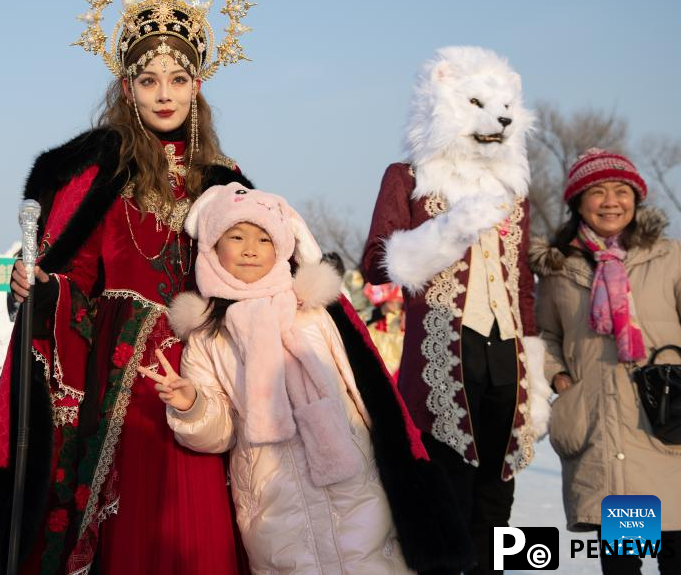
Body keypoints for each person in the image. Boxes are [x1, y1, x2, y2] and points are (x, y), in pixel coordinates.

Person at [0, 0, 255, 575]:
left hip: (202, 371)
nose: (163, 92)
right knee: (132, 525)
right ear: (126, 84)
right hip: (120, 382)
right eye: (148, 79)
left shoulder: (226, 180)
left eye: (177, 77)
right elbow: (76, 268)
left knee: (204, 522)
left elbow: (254, 269)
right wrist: (44, 287)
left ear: (197, 84)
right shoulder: (102, 172)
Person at [142, 183, 472, 574]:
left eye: (264, 239)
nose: (251, 248)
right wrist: (192, 405)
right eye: (236, 236)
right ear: (212, 246)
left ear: (282, 248)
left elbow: (361, 389)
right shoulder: (209, 334)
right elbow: (220, 431)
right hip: (272, 494)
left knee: (370, 560)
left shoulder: (314, 312)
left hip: (353, 480)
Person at [361, 47, 551, 574]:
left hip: (506, 359)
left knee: (497, 501)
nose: (500, 118)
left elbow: (523, 292)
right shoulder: (408, 178)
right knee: (447, 497)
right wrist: (445, 232)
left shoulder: (516, 196)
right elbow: (377, 263)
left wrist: (533, 374)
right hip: (442, 360)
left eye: (506, 106)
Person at [531, 149, 681, 574]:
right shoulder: (559, 270)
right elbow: (546, 335)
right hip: (604, 434)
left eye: (621, 190)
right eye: (597, 192)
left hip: (666, 426)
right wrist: (558, 375)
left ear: (637, 199)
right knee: (623, 565)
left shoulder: (669, 257)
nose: (611, 201)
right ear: (578, 202)